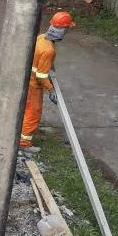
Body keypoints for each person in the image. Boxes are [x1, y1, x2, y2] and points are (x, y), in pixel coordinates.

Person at [20, 11, 73, 149]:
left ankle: (20, 132)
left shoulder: (41, 38)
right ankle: (24, 143)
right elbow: (41, 76)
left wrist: (49, 65)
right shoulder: (49, 50)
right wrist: (51, 90)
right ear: (62, 30)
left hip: (26, 80)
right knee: (33, 113)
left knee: (25, 109)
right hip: (34, 85)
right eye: (66, 28)